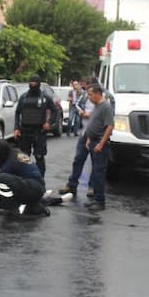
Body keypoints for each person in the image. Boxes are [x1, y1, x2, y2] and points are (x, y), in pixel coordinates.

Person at [59, 85, 113, 213]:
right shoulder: (97, 106)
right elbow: (93, 123)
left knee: (98, 172)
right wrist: (89, 138)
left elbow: (109, 126)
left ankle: (100, 201)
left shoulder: (106, 106)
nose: (89, 97)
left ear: (98, 93)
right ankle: (96, 199)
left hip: (99, 143)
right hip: (92, 140)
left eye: (90, 94)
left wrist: (101, 143)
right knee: (93, 168)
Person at [0, 140, 48, 216]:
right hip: (38, 188)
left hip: (32, 188)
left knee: (2, 178)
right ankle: (34, 206)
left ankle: (10, 208)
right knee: (9, 182)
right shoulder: (16, 152)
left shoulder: (10, 162)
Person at [13, 76, 53, 175]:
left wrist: (49, 122)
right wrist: (16, 128)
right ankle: (25, 179)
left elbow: (55, 111)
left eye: (35, 82)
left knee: (39, 156)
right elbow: (17, 113)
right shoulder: (23, 97)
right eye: (31, 82)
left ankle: (40, 180)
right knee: (24, 157)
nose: (33, 84)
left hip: (39, 131)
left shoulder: (44, 98)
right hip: (25, 130)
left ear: (39, 84)